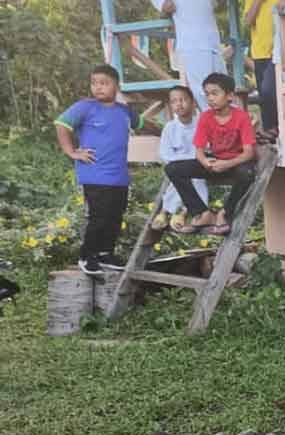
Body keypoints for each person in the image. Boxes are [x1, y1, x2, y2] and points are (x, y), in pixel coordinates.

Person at [55, 65, 149, 276]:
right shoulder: (85, 107)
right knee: (99, 216)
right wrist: (72, 152)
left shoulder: (124, 111)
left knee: (115, 215)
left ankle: (106, 253)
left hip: (119, 176)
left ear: (116, 85)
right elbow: (61, 124)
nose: (98, 87)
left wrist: (172, 127)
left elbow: (143, 123)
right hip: (94, 173)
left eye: (104, 83)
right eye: (94, 83)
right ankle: (87, 256)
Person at [165, 73, 256, 235]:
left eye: (215, 93)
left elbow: (249, 153)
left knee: (247, 172)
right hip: (213, 162)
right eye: (207, 94)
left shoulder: (241, 117)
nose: (210, 98)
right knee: (173, 169)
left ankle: (225, 213)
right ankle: (202, 212)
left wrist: (226, 164)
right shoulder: (206, 117)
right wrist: (206, 162)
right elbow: (199, 150)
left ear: (230, 96)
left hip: (235, 163)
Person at [153, 85, 209, 234]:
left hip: (198, 165)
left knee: (196, 179)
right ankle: (170, 211)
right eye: (174, 101)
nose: (179, 104)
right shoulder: (170, 127)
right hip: (179, 166)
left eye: (183, 100)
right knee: (177, 175)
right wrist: (184, 159)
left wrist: (193, 158)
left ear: (192, 102)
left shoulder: (202, 123)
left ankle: (178, 211)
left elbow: (207, 148)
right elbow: (165, 154)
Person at [153, 0, 226, 112]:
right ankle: (215, 127)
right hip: (193, 46)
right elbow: (168, 6)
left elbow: (219, 3)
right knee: (205, 93)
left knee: (225, 90)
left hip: (213, 43)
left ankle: (229, 127)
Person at [243, 0, 285, 139]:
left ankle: (279, 130)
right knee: (264, 94)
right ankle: (270, 133)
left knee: (270, 90)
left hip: (279, 52)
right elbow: (247, 21)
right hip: (258, 53)